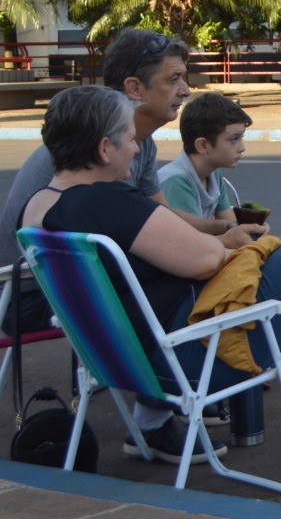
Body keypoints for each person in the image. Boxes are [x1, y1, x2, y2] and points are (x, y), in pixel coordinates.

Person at [21, 86, 281, 478]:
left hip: (130, 363)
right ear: (102, 148)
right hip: (197, 354)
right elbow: (206, 260)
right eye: (129, 138)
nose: (137, 148)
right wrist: (242, 250)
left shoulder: (40, 206)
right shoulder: (107, 200)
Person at [1, 29, 244, 335]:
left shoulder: (134, 145)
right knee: (197, 274)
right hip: (29, 291)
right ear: (134, 88)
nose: (186, 90)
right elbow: (138, 232)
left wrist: (224, 228)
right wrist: (223, 245)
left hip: (65, 280)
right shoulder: (88, 159)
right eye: (173, 79)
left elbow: (162, 215)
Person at [157, 92, 250, 223]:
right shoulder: (177, 181)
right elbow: (190, 239)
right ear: (203, 145)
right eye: (234, 139)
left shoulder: (213, 174)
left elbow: (230, 223)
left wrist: (254, 230)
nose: (242, 148)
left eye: (242, 138)